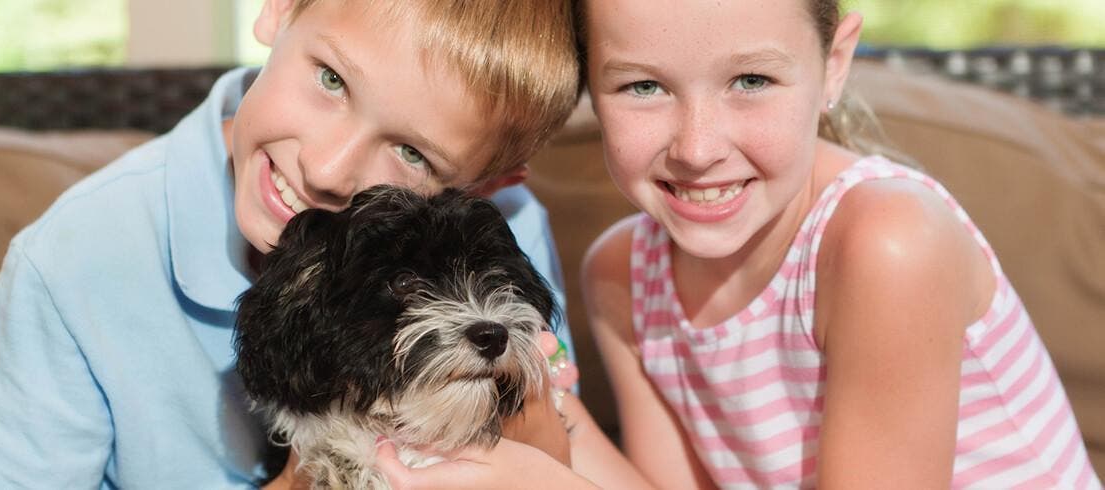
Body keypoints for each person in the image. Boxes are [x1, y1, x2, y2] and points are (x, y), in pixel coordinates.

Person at [376, 0, 1104, 488]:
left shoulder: (887, 243)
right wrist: (542, 431)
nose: (697, 148)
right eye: (642, 88)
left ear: (836, 64)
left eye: (751, 79)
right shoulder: (622, 275)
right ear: (588, 89)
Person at [0, 0, 581, 487]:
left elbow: (544, 436)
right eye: (332, 79)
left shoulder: (503, 228)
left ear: (488, 184)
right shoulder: (72, 260)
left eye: (413, 154)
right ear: (276, 8)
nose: (326, 169)